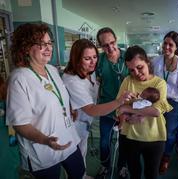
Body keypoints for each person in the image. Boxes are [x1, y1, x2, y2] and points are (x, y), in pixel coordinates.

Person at [6, 23, 85, 179]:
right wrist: (45, 140)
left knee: (79, 172)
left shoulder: (52, 69)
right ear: (26, 47)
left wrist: (68, 108)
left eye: (49, 43)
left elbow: (57, 95)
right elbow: (20, 124)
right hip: (41, 149)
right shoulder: (19, 79)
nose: (48, 48)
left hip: (68, 138)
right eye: (41, 44)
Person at [62, 39, 134, 178]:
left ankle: (83, 176)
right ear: (76, 59)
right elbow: (92, 109)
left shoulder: (90, 72)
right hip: (73, 125)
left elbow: (96, 89)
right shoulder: (72, 79)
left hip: (84, 124)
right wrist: (119, 102)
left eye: (94, 57)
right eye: (87, 58)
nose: (93, 62)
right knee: (73, 162)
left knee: (82, 152)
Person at [117, 45, 172, 179]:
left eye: (140, 67)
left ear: (147, 62)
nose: (136, 73)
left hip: (154, 137)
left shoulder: (160, 83)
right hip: (130, 137)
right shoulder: (127, 81)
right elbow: (118, 107)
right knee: (134, 173)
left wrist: (128, 109)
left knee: (151, 174)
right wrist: (123, 110)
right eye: (131, 70)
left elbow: (156, 111)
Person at [152, 31, 178, 175]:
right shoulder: (156, 61)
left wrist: (177, 93)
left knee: (168, 131)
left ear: (176, 47)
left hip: (175, 103)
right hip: (158, 101)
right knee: (156, 128)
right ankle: (156, 153)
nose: (167, 47)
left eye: (171, 45)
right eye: (165, 43)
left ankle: (166, 156)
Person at [95, 27, 129, 178]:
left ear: (116, 40)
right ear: (100, 46)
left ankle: (122, 166)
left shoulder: (128, 57)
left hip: (126, 109)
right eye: (105, 45)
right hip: (107, 108)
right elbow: (95, 82)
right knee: (104, 142)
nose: (110, 47)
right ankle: (105, 166)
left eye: (112, 42)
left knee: (124, 142)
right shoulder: (99, 61)